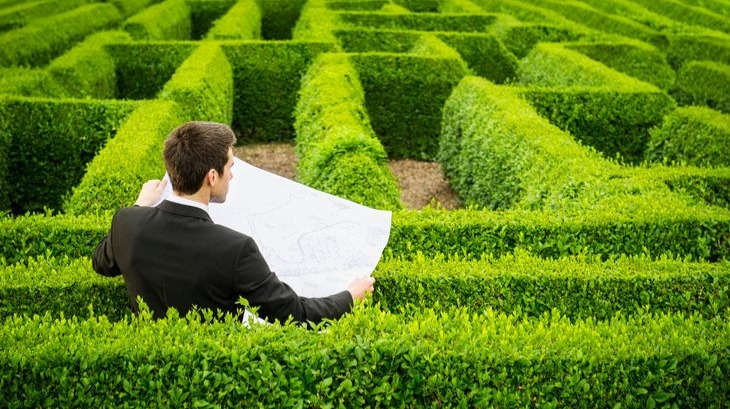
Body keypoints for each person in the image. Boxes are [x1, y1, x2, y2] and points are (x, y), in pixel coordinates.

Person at [92, 121, 375, 324]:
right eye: (230, 167)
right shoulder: (235, 248)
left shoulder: (126, 223)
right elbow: (292, 314)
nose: (233, 176)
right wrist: (349, 296)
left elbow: (102, 263)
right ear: (211, 177)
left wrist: (140, 204)